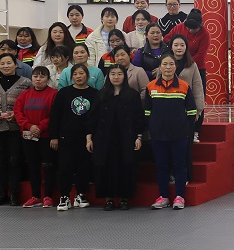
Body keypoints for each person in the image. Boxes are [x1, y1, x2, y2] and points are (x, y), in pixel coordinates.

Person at [88, 65, 145, 211]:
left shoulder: (132, 95)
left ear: (125, 76)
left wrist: (139, 137)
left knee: (125, 167)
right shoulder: (101, 94)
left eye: (120, 74)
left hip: (126, 139)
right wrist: (89, 138)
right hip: (104, 139)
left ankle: (124, 198)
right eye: (113, 74)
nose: (116, 77)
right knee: (105, 168)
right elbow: (93, 118)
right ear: (108, 77)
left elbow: (139, 118)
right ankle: (108, 199)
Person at [145, 54, 198, 210]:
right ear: (159, 67)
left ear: (176, 67)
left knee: (179, 165)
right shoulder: (151, 87)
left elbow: (191, 111)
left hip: (179, 135)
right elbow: (147, 111)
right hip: (158, 135)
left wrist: (185, 129)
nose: (168, 67)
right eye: (164, 64)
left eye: (171, 64)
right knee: (161, 166)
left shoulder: (184, 86)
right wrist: (152, 128)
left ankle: (180, 196)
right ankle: (163, 197)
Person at [0, 53, 32, 206]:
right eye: (2, 63)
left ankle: (15, 195)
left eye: (9, 63)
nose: (6, 66)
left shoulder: (26, 83)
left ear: (16, 65)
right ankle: (2, 194)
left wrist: (17, 115)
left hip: (17, 129)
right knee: (0, 162)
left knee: (15, 161)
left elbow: (31, 103)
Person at [51, 63, 100, 211]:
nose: (78, 76)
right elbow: (55, 115)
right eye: (75, 74)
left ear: (87, 75)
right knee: (65, 167)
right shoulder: (64, 93)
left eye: (81, 73)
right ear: (71, 76)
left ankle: (81, 194)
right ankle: (64, 197)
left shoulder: (95, 94)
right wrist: (54, 136)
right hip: (66, 137)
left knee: (83, 166)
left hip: (86, 138)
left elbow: (96, 117)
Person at [14, 66, 58, 208]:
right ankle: (35, 196)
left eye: (42, 76)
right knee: (33, 166)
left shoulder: (54, 94)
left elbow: (54, 114)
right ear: (31, 78)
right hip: (28, 136)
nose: (38, 79)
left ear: (48, 79)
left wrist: (40, 127)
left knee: (48, 166)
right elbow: (18, 113)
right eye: (35, 76)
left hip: (46, 136)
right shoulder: (24, 95)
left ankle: (48, 196)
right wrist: (29, 126)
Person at [158, 35, 206, 143]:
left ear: (186, 47)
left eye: (182, 45)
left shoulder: (192, 65)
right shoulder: (165, 63)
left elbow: (198, 88)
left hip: (186, 108)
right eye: (176, 45)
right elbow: (157, 83)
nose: (179, 48)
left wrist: (198, 111)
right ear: (171, 47)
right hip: (167, 107)